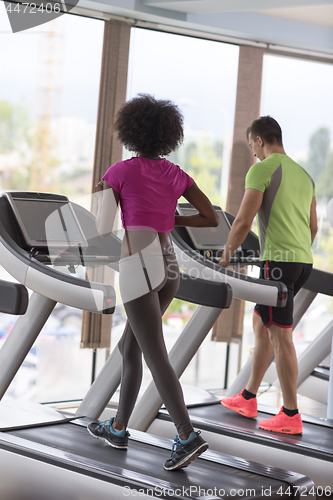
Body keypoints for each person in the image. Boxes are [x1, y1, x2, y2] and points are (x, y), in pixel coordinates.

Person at [87, 93, 219, 470]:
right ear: (167, 136)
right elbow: (209, 216)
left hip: (138, 265)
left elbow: (102, 229)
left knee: (155, 354)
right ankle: (118, 427)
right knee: (132, 349)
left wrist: (105, 199)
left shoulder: (119, 172)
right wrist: (174, 219)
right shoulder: (176, 174)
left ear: (130, 132)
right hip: (169, 268)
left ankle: (186, 434)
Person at [219, 116, 317, 435]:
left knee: (280, 335)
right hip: (301, 262)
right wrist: (296, 253)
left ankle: (290, 414)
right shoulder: (304, 175)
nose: (253, 154)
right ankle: (248, 397)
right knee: (262, 326)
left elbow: (244, 221)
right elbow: (313, 227)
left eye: (252, 147)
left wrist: (225, 257)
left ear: (260, 140)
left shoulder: (263, 169)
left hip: (276, 263)